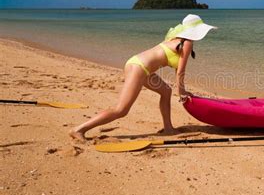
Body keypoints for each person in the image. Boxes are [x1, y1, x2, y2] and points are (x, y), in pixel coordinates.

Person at [69, 14, 216, 141]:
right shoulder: (187, 43)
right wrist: (182, 92)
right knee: (121, 110)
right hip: (138, 68)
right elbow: (180, 72)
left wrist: (183, 91)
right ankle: (79, 129)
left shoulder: (178, 40)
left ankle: (168, 128)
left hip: (140, 66)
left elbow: (178, 70)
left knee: (166, 91)